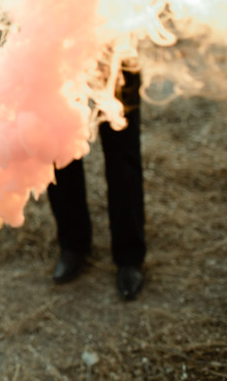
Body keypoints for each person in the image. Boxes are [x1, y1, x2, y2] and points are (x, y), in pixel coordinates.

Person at [48, 67, 146, 300]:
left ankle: (130, 255)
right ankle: (73, 244)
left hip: (110, 43)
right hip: (55, 49)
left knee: (123, 151)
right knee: (60, 146)